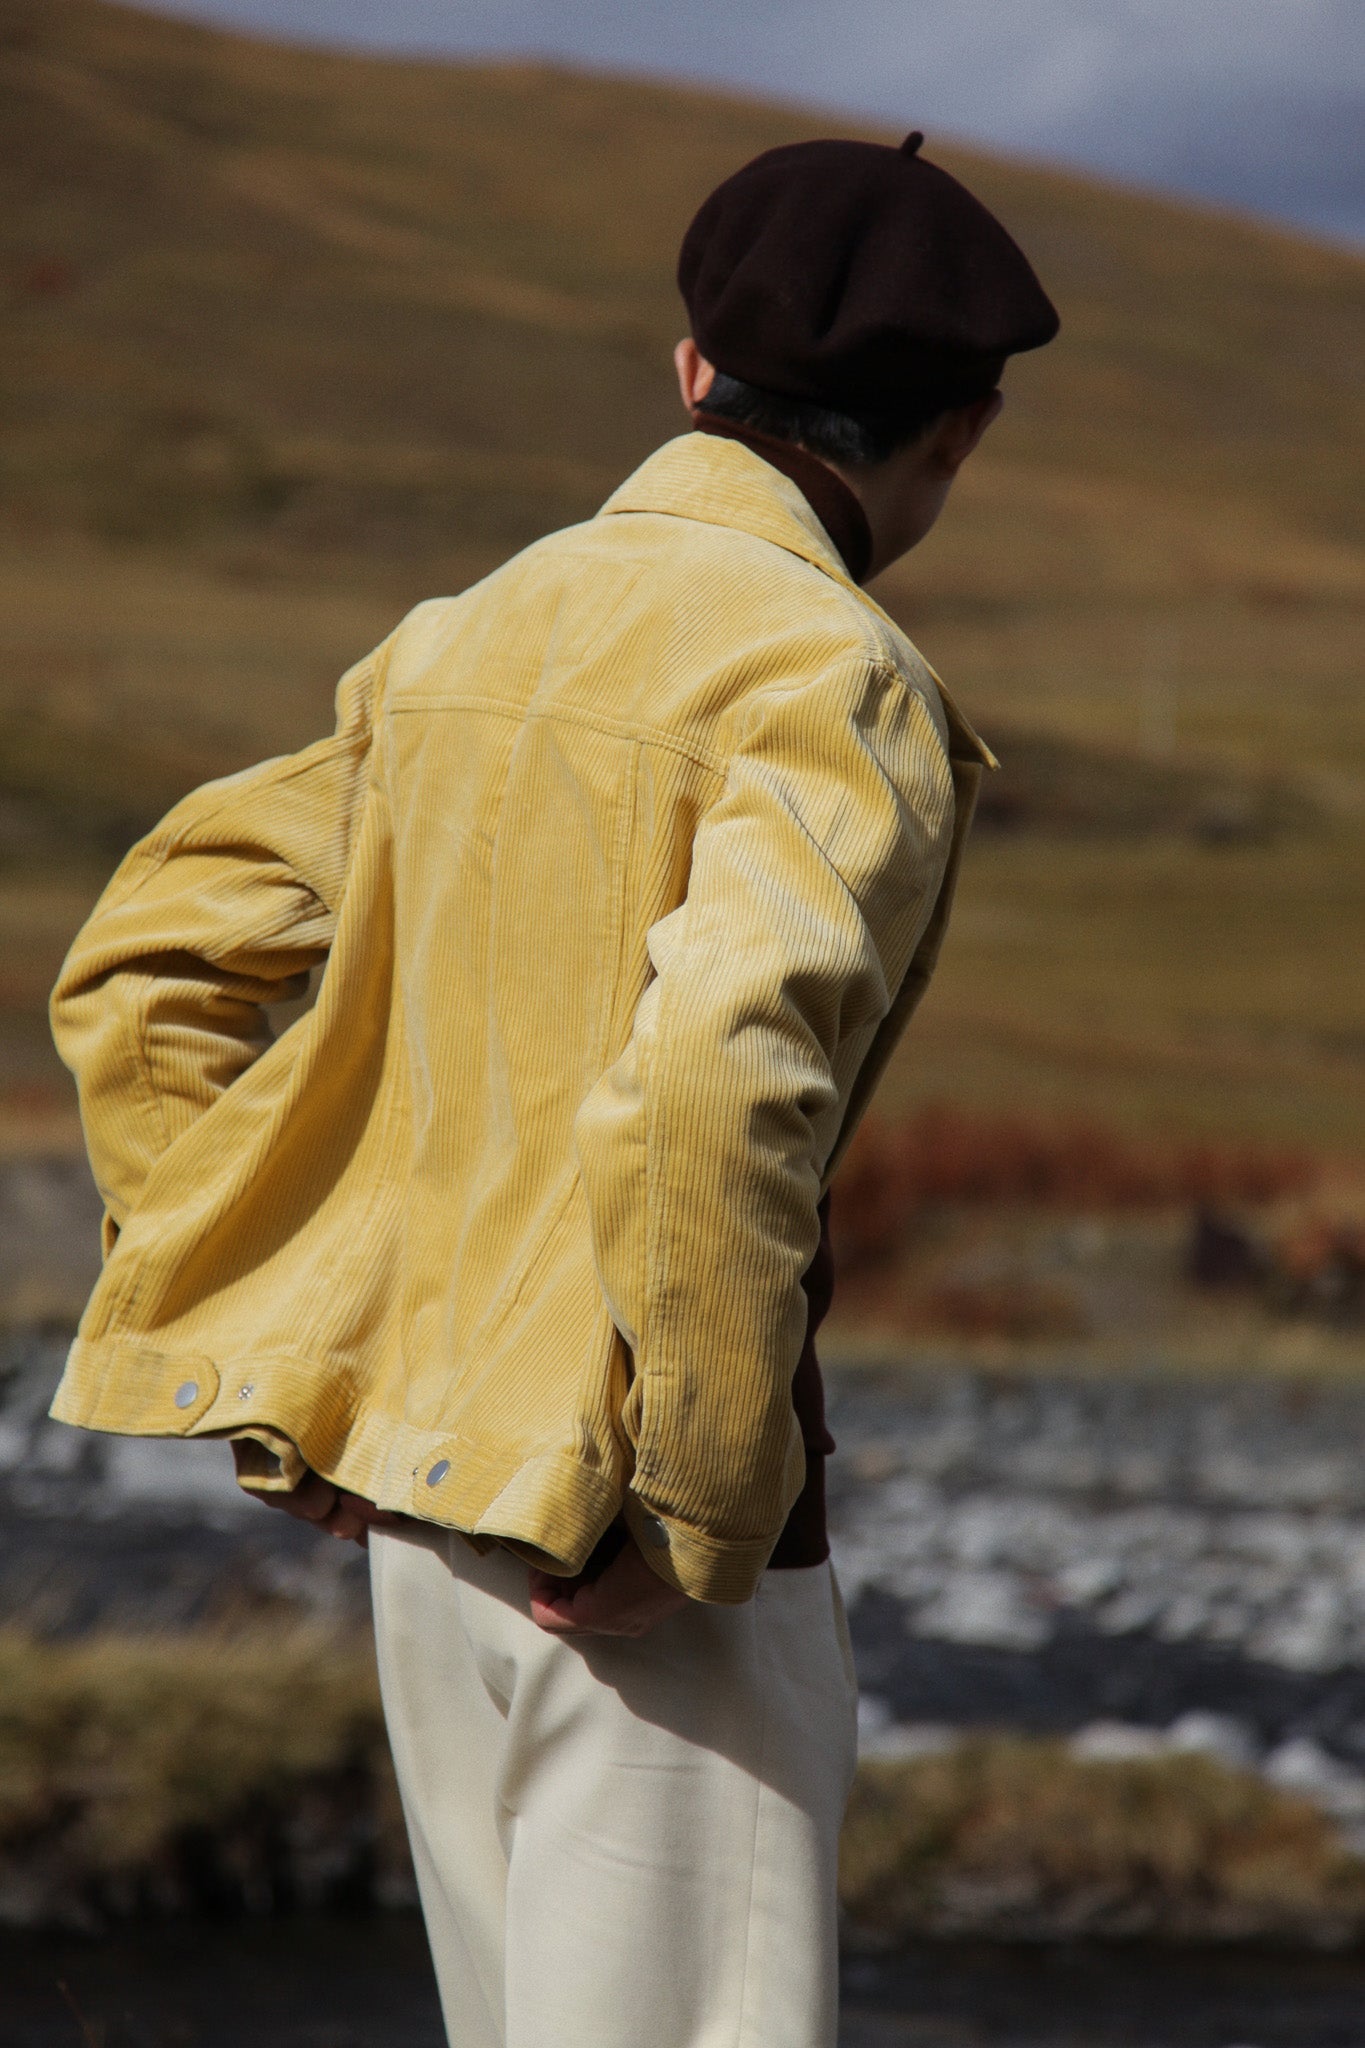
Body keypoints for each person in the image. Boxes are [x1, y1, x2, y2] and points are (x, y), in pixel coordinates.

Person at [48, 133, 1057, 2047]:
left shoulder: (459, 633)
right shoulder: (835, 677)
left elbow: (145, 963)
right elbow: (713, 1094)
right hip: (632, 1546)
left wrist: (300, 1351)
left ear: (690, 371)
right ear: (965, 432)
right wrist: (693, 1515)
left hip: (426, 1515)